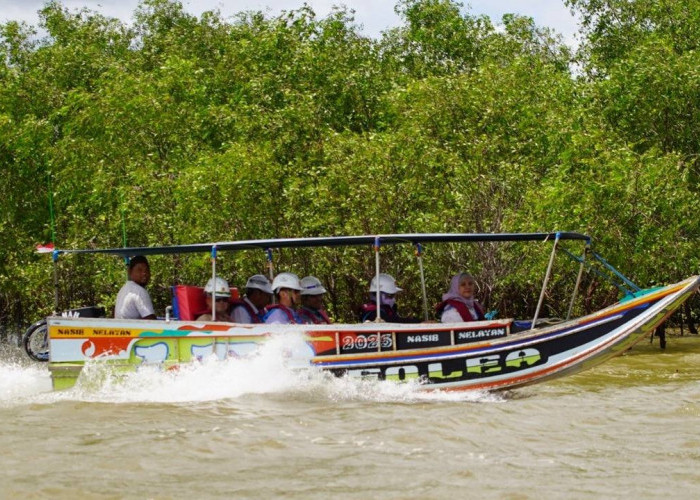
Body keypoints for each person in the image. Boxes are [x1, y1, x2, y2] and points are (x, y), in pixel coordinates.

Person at [115, 255, 156, 320]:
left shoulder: (124, 288)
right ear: (130, 272)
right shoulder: (139, 291)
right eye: (139, 270)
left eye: (146, 270)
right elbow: (150, 320)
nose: (144, 273)